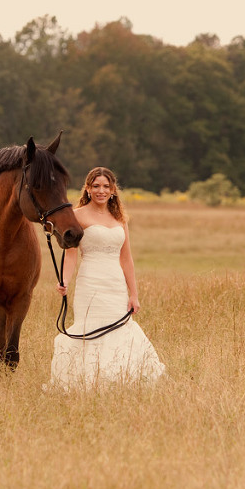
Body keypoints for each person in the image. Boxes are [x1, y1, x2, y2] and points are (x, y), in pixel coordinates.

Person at [46, 167, 165, 389]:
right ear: (88, 189)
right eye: (96, 186)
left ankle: (119, 380)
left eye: (106, 187)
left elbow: (126, 258)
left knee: (119, 328)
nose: (101, 190)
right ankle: (87, 381)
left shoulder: (120, 219)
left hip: (115, 284)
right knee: (90, 328)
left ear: (113, 191)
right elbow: (70, 255)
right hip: (90, 282)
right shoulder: (78, 215)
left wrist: (134, 294)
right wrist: (65, 281)